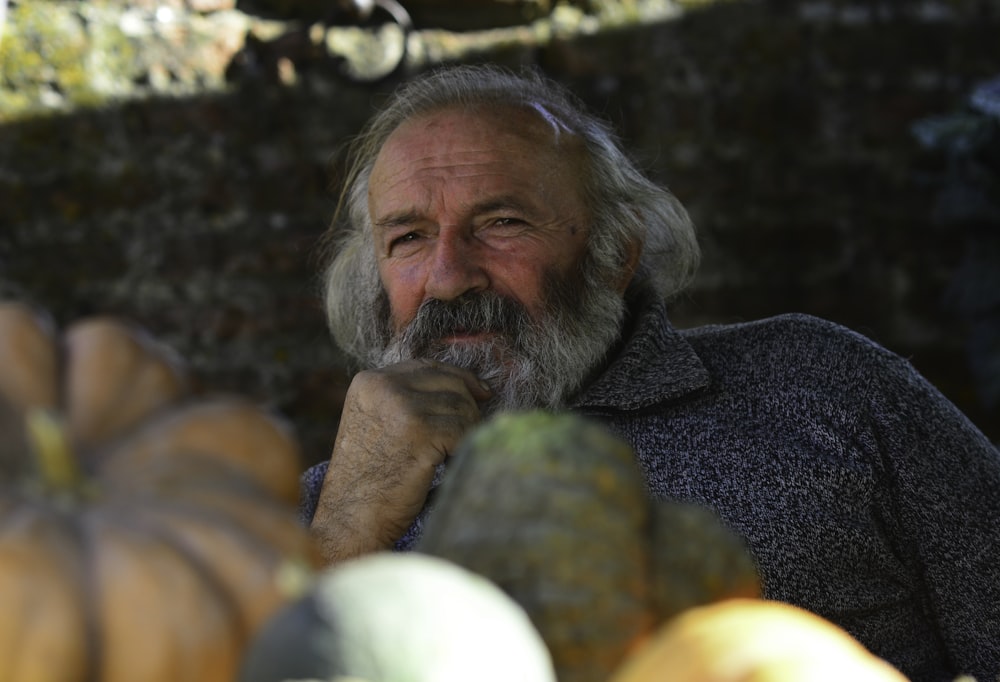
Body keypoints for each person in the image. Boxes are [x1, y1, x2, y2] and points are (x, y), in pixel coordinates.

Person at [299, 64, 1000, 681]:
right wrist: (350, 523)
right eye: (410, 238)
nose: (449, 277)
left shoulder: (824, 384)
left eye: (503, 222)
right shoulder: (325, 511)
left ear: (615, 254)